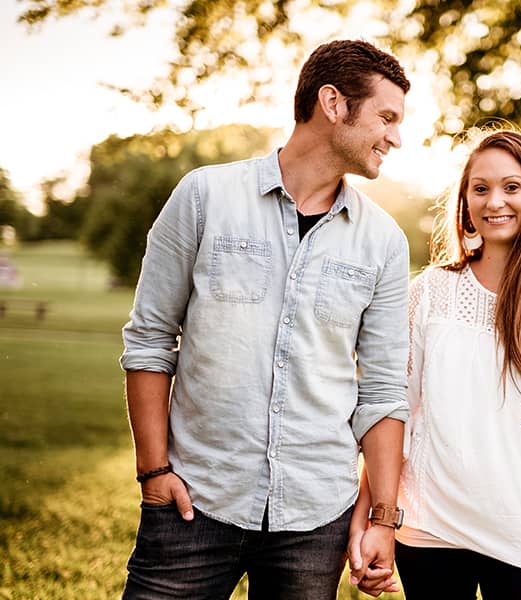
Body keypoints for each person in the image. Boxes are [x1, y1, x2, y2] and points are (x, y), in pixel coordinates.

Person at [120, 39, 411, 599]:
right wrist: (154, 473)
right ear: (333, 103)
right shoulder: (205, 196)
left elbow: (382, 391)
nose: (396, 137)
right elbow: (151, 341)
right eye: (387, 117)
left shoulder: (384, 243)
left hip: (315, 517)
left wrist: (382, 518)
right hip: (194, 503)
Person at [351, 129, 521, 599]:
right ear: (465, 201)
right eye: (480, 188)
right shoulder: (428, 293)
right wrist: (376, 521)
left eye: (512, 187)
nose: (496, 201)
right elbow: (394, 414)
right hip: (428, 532)